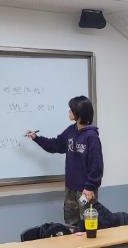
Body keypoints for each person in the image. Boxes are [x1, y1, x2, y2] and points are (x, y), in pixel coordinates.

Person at [26, 95, 103, 226]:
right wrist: (36, 138)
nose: (69, 112)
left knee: (87, 224)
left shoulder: (91, 136)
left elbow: (96, 164)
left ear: (79, 113)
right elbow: (55, 145)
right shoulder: (71, 131)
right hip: (70, 188)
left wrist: (90, 186)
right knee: (71, 223)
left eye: (71, 110)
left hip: (85, 190)